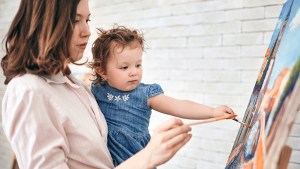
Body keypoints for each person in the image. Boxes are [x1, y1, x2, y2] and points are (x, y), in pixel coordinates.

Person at [1, 0, 193, 169]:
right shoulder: (29, 91)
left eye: (87, 20)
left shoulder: (74, 85)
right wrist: (147, 157)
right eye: (76, 20)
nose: (87, 31)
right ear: (45, 22)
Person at [88, 26, 236, 166]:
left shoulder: (145, 94)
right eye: (124, 67)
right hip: (105, 160)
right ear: (102, 72)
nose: (134, 72)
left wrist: (212, 112)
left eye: (138, 65)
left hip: (138, 158)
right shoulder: (96, 89)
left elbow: (178, 105)